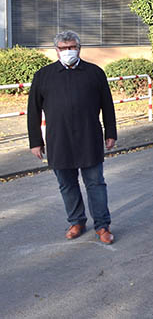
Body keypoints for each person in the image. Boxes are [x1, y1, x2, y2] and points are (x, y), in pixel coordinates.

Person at [27, 30, 118, 244]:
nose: (68, 51)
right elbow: (33, 111)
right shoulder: (43, 75)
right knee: (67, 184)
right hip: (59, 140)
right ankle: (76, 221)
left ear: (79, 48)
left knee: (95, 183)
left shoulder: (94, 73)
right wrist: (35, 142)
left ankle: (102, 226)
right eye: (64, 48)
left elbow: (108, 105)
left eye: (72, 47)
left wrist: (111, 133)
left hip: (89, 138)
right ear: (56, 50)